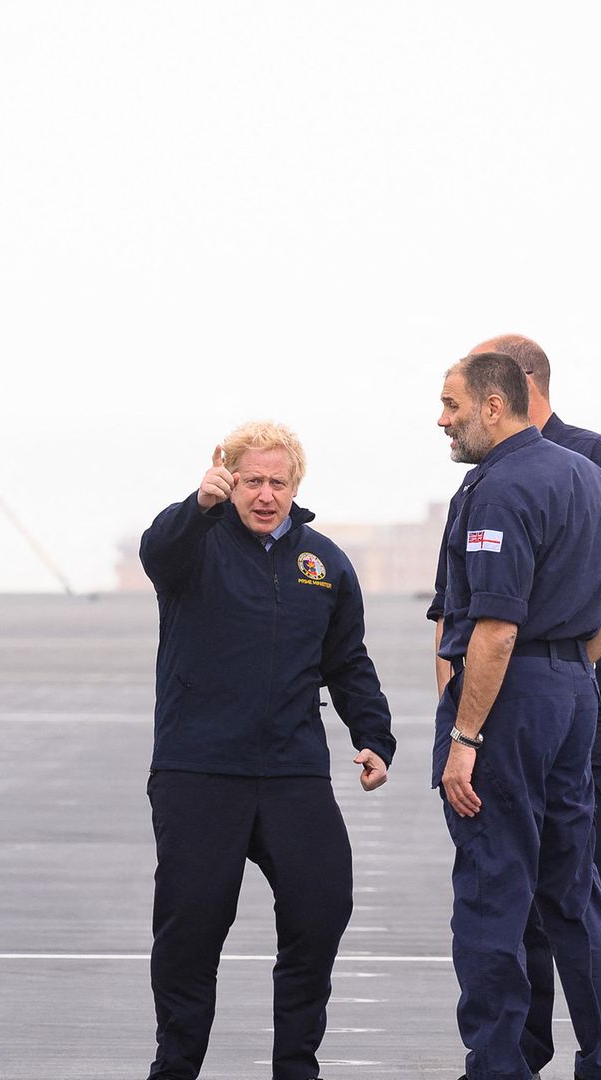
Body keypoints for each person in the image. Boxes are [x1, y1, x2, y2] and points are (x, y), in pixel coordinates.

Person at [138, 421, 395, 1080]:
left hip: (292, 772)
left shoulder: (324, 564)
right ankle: (176, 1065)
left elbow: (348, 660)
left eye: (277, 482)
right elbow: (155, 551)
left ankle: (295, 1066)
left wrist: (373, 736)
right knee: (191, 932)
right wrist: (197, 505)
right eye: (251, 480)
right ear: (227, 479)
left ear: (295, 487)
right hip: (199, 771)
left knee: (322, 908)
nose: (264, 494)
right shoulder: (193, 546)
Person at [430, 352, 601, 1080]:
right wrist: (574, 662)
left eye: (452, 404)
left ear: (495, 406)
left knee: (494, 887)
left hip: (509, 700)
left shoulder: (497, 489)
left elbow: (493, 629)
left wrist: (465, 737)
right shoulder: (586, 475)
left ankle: (497, 1067)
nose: (443, 420)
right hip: (573, 693)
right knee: (576, 887)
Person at [471, 335, 601, 1080]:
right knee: (516, 896)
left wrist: (575, 665)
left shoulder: (593, 455)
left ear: (514, 386)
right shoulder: (491, 472)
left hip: (586, 691)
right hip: (520, 697)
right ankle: (519, 1057)